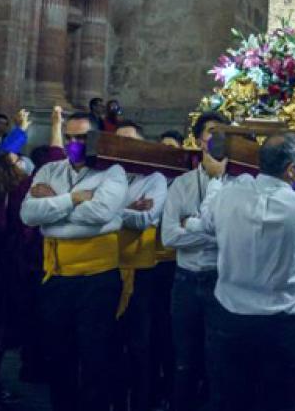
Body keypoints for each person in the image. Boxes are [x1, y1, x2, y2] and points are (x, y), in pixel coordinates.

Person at [196, 133, 295, 411]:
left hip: (231, 319)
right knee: (278, 402)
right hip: (282, 325)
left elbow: (206, 223)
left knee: (230, 400)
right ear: (291, 170)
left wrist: (215, 180)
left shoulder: (228, 195)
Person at [20, 106, 128, 411]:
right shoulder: (49, 171)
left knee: (96, 360)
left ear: (97, 139)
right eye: (68, 138)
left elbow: (102, 214)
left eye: (81, 138)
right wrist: (72, 199)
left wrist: (52, 211)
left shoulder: (113, 172)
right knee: (59, 357)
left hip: (98, 279)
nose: (73, 145)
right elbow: (28, 215)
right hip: (56, 277)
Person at [159, 111, 227, 411]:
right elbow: (170, 238)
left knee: (220, 361)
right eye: (212, 131)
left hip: (220, 281)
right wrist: (212, 232)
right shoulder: (182, 184)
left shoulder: (238, 185)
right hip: (185, 280)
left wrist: (192, 224)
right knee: (184, 361)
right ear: (199, 139)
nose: (217, 138)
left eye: (223, 133)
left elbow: (235, 238)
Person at [0, 147, 40, 403]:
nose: (22, 163)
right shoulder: (11, 199)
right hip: (8, 276)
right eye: (16, 161)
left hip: (1, 275)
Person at [116, 151, 167, 411]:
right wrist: (124, 210)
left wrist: (104, 209)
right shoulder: (104, 175)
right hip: (104, 266)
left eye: (132, 143)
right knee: (107, 347)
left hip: (141, 270)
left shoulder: (154, 179)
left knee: (140, 346)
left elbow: (145, 218)